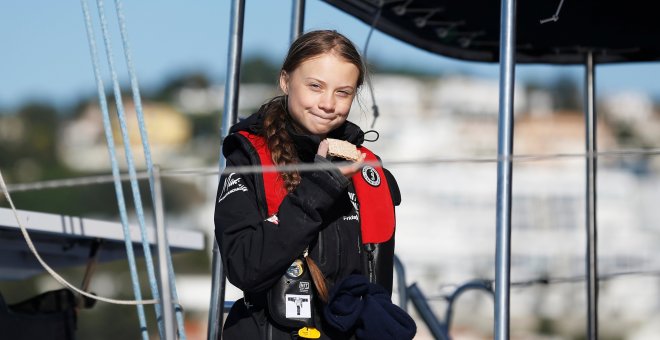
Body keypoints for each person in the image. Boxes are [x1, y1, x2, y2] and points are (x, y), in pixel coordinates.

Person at [214, 30, 412, 340]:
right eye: (315, 86)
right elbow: (244, 267)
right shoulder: (247, 158)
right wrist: (321, 183)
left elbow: (376, 284)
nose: (327, 103)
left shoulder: (367, 169)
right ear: (285, 81)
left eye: (342, 92)